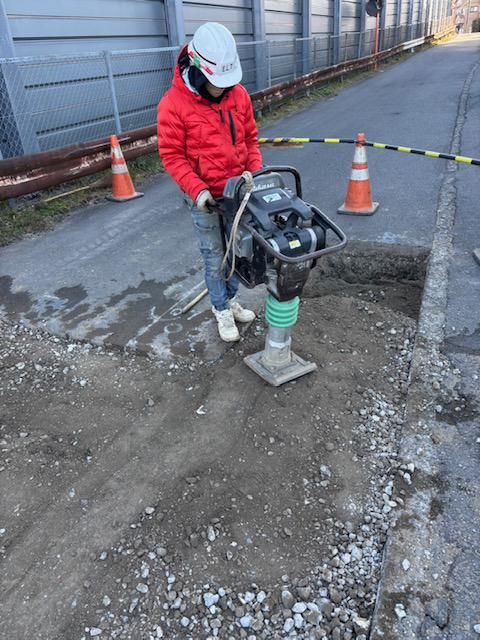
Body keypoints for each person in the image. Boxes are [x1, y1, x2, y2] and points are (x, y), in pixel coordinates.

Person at [157, 22, 263, 342]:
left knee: (237, 250)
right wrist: (198, 190)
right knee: (214, 254)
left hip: (237, 192)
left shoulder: (238, 95)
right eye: (218, 83)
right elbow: (172, 156)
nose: (225, 89)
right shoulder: (173, 106)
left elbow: (250, 139)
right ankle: (220, 308)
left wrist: (255, 173)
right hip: (204, 197)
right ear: (199, 72)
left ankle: (231, 298)